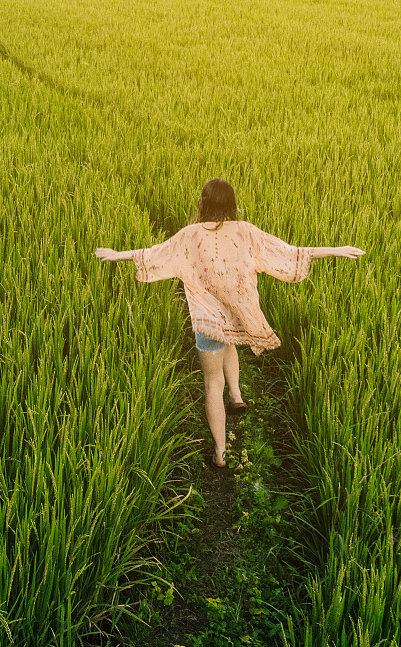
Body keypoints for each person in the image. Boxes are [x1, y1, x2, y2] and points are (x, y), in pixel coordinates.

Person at [96, 179, 364, 469]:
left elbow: (154, 254)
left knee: (212, 385)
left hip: (207, 322)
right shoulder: (245, 232)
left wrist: (116, 255)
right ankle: (236, 397)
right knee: (231, 342)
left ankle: (221, 453)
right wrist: (336, 249)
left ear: (203, 202)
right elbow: (288, 252)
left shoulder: (190, 235)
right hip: (235, 315)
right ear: (231, 204)